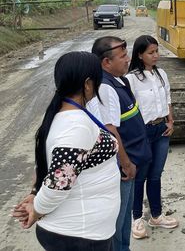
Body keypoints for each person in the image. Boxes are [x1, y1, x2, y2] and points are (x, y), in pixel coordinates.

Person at [11, 51, 120, 250]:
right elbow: (58, 184)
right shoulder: (75, 126)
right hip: (79, 237)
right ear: (88, 84)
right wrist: (37, 209)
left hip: (84, 233)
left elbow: (48, 164)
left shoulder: (65, 115)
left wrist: (35, 193)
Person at [91, 36, 151, 251]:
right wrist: (125, 163)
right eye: (123, 56)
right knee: (119, 219)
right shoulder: (105, 88)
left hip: (132, 161)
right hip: (124, 168)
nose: (128, 59)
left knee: (125, 216)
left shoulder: (119, 81)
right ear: (106, 62)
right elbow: (110, 130)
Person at [126, 35, 178, 239]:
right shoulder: (131, 79)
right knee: (140, 177)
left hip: (161, 130)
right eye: (151, 52)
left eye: (157, 51)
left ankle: (156, 215)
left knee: (156, 175)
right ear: (140, 55)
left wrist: (170, 121)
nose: (156, 55)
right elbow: (129, 109)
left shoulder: (161, 74)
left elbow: (168, 99)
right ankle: (136, 218)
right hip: (143, 133)